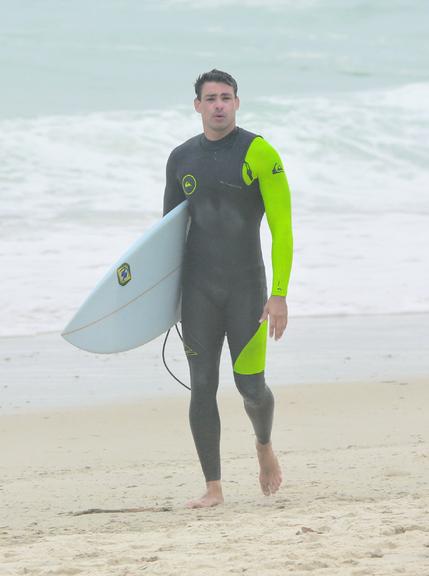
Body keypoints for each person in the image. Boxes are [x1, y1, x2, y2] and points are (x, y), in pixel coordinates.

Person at [163, 69, 293, 508]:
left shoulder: (259, 152)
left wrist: (278, 294)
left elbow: (282, 228)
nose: (219, 104)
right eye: (210, 98)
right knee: (201, 385)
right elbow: (166, 236)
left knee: (251, 387)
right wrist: (163, 301)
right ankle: (213, 487)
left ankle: (263, 446)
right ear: (197, 106)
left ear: (237, 103)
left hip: (246, 288)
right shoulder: (181, 159)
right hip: (197, 289)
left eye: (226, 97)